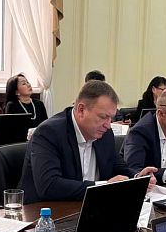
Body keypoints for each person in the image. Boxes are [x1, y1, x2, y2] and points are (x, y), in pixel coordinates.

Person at [21, 80, 157, 204]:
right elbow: (49, 185)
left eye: (111, 118)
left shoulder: (105, 134)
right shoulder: (49, 133)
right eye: (103, 117)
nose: (108, 125)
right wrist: (104, 187)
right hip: (46, 213)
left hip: (89, 207)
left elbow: (116, 165)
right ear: (81, 110)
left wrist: (138, 178)